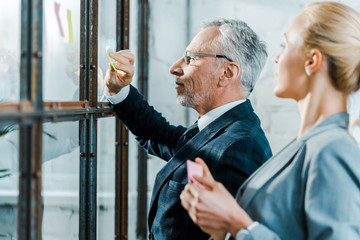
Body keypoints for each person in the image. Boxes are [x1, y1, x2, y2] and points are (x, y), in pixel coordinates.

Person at [180, 2, 360, 240]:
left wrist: (237, 224)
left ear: (312, 61)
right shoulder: (307, 145)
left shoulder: (332, 149)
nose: (277, 58)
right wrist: (223, 230)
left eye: (285, 45)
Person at [104, 19, 272, 240]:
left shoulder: (240, 145)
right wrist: (117, 89)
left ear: (227, 73)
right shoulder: (217, 129)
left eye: (191, 58)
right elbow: (156, 134)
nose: (174, 68)